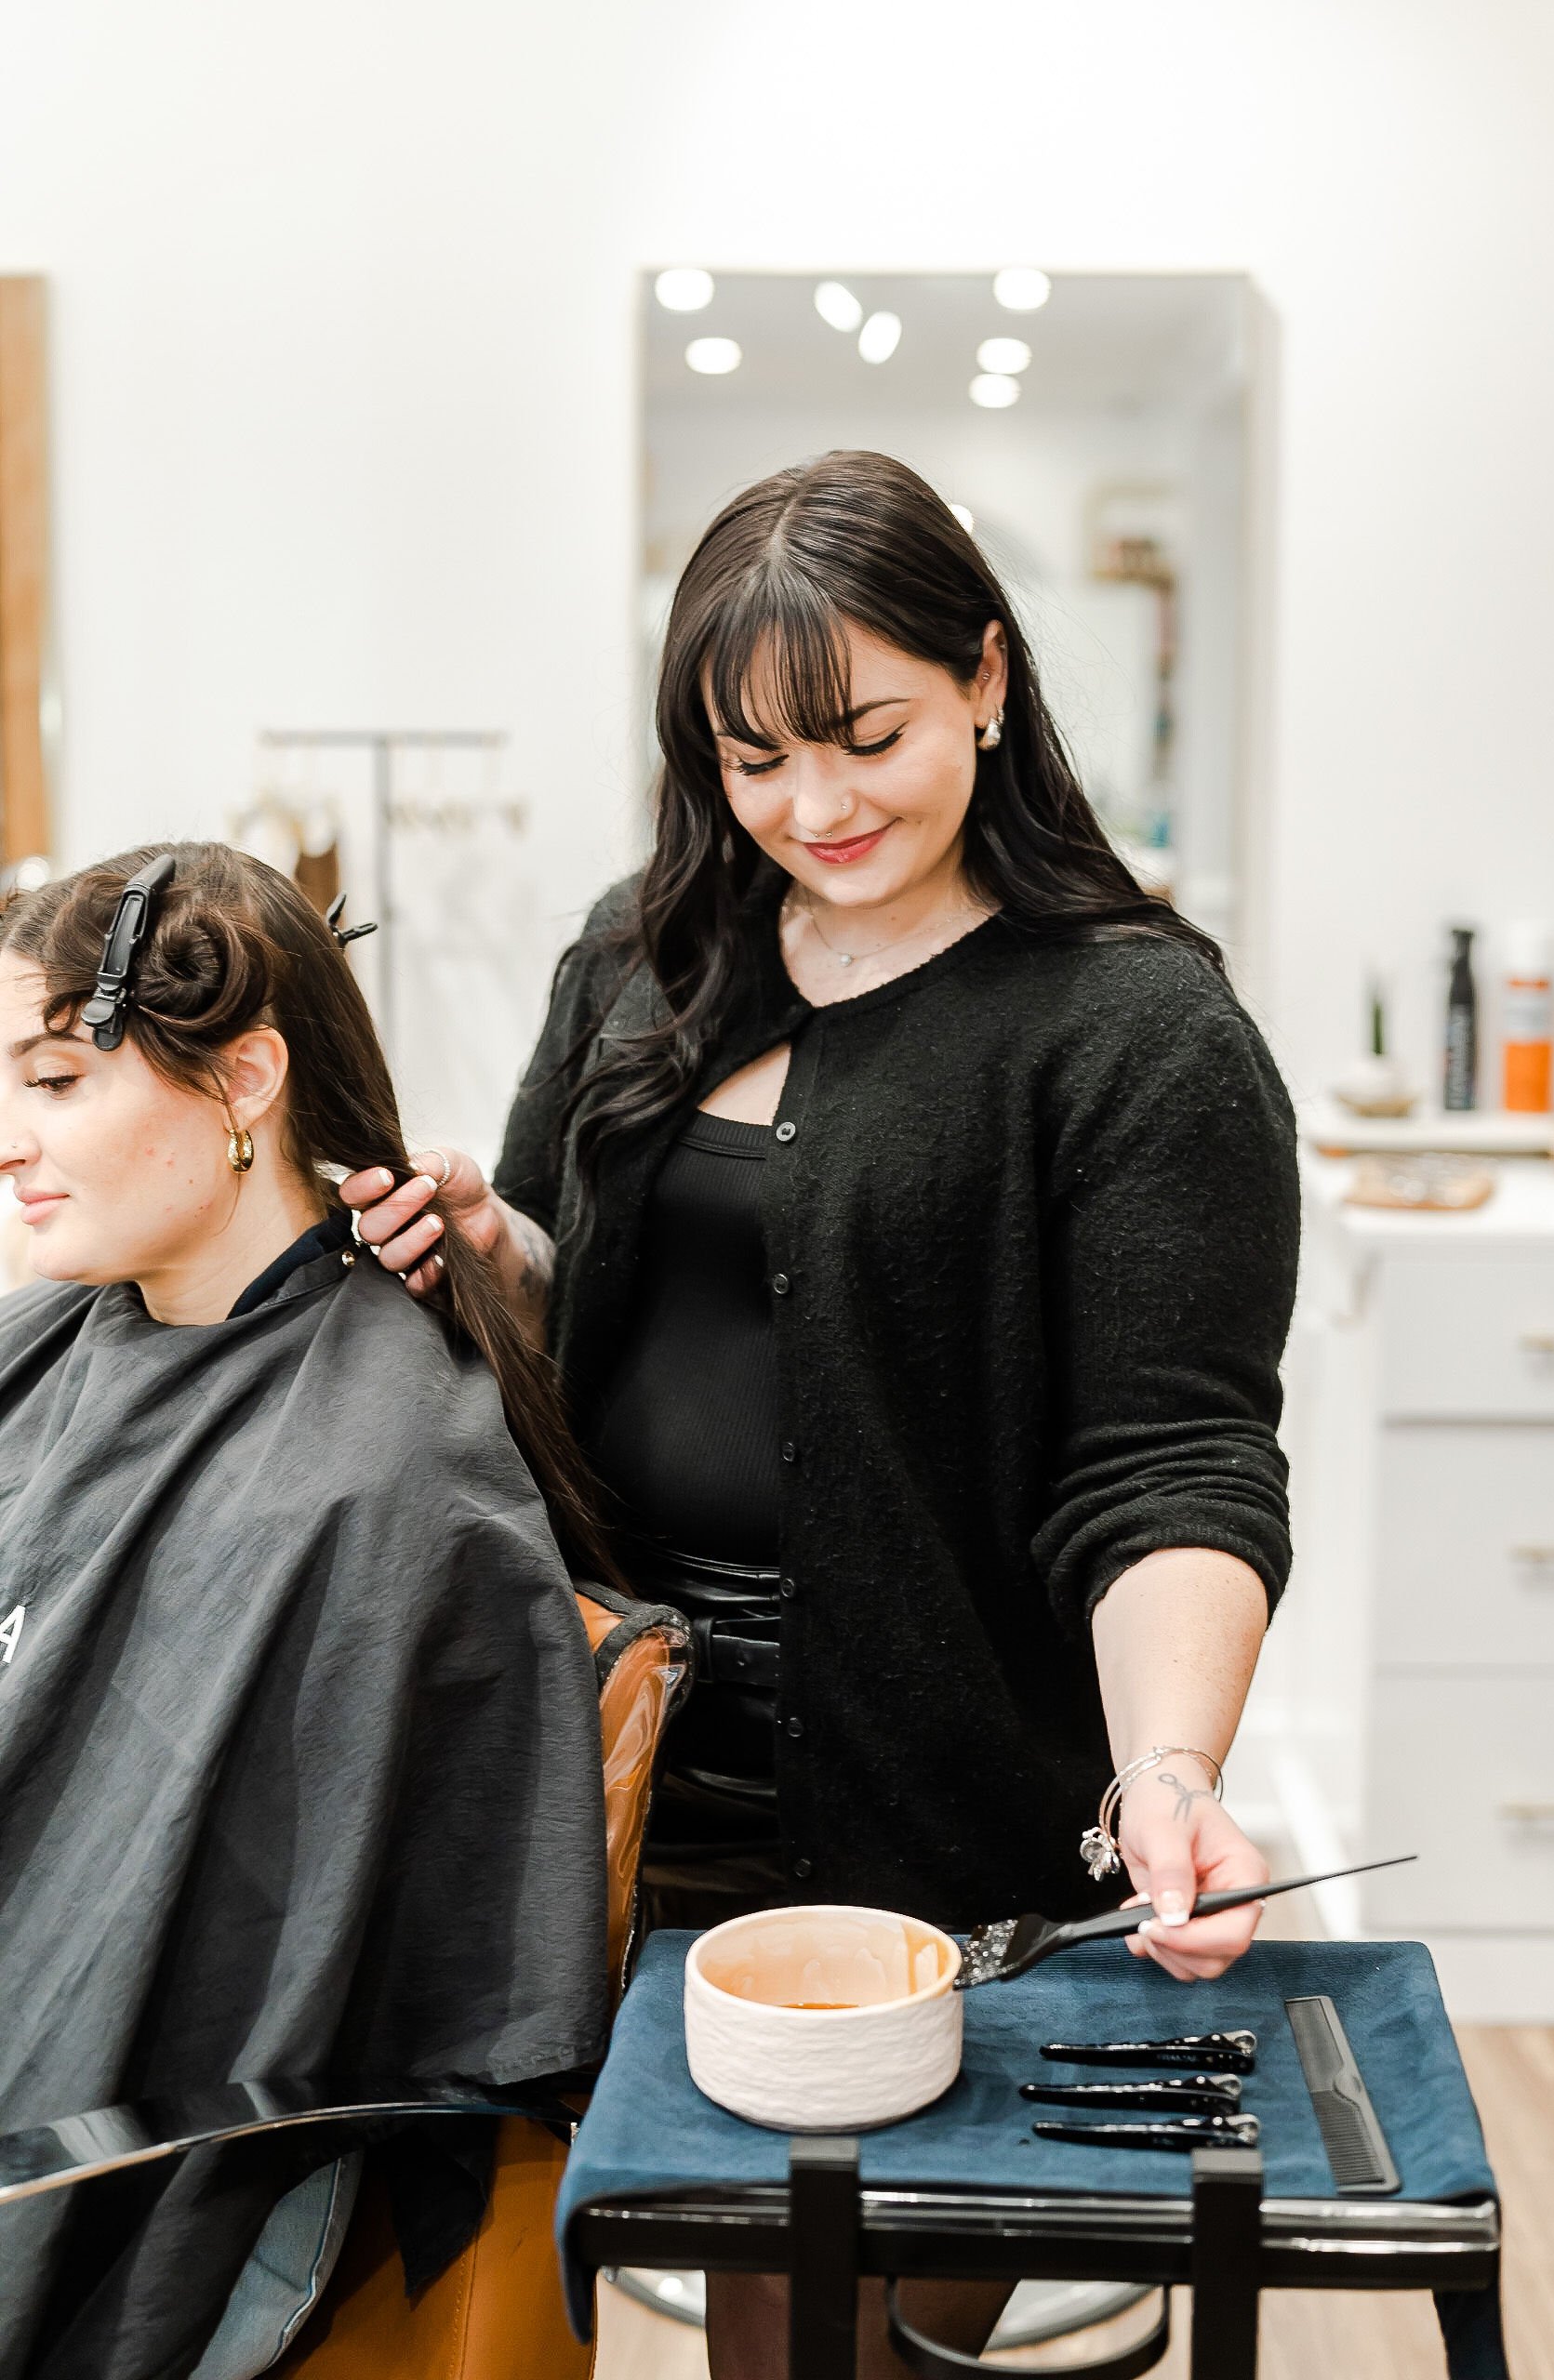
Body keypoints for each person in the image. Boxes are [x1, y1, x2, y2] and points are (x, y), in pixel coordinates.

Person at [346, 450, 1301, 2375]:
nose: (812, 805)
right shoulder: (641, 950)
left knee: (811, 2334)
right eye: (749, 758)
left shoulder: (1127, 1032)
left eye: (861, 733)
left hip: (910, 1793)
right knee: (531, 2273)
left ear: (985, 678)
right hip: (598, 1759)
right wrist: (480, 1242)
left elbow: (1165, 1461)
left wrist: (1171, 1774)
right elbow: (586, 1286)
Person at [0, 844, 609, 2380]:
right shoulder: (49, 1345)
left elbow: (196, 1954)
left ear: (244, 1079)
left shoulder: (370, 1484)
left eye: (59, 1081)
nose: (11, 1141)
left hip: (89, 2156)